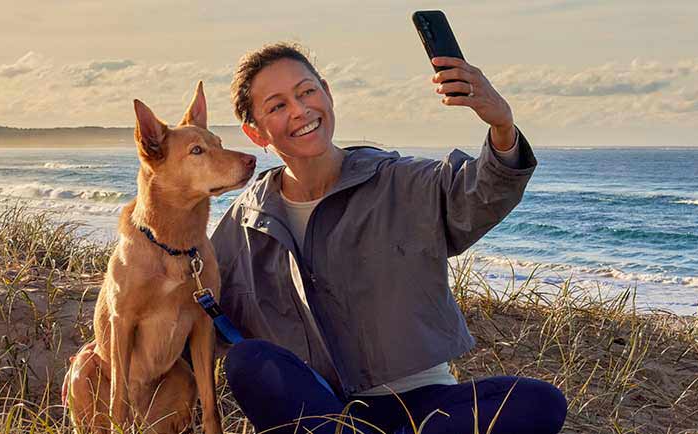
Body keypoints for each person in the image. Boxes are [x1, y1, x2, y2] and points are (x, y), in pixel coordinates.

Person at [210, 42, 567, 434]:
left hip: (425, 403)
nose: (299, 110)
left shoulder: (401, 182)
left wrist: (501, 125)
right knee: (248, 360)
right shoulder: (243, 223)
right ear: (254, 131)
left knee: (538, 402)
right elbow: (192, 305)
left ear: (327, 93)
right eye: (277, 106)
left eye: (306, 91)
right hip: (322, 408)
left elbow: (481, 193)